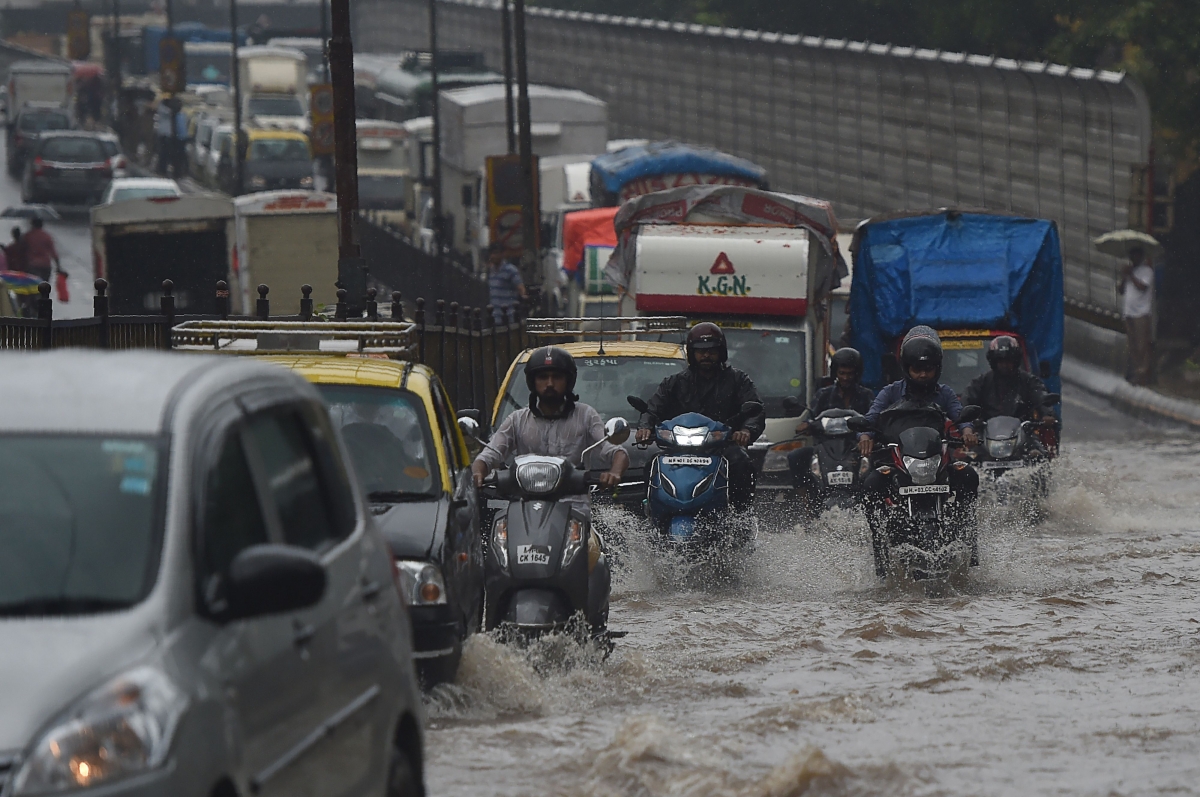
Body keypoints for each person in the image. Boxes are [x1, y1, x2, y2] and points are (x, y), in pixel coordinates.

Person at [858, 326, 980, 576]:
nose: (923, 375)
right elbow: (871, 418)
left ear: (938, 368)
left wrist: (967, 431)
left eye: (929, 369)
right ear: (906, 368)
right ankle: (881, 552)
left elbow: (960, 416)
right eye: (917, 369)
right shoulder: (890, 392)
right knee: (870, 483)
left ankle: (969, 539)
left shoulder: (944, 393)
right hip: (899, 462)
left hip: (938, 462)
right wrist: (865, 436)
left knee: (969, 475)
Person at [635, 322, 764, 511]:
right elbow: (652, 409)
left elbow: (756, 409)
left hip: (721, 446)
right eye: (700, 351)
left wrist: (746, 431)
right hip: (679, 447)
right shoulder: (674, 382)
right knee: (652, 464)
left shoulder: (738, 380)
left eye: (711, 351)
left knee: (740, 463)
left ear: (721, 352)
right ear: (691, 353)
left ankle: (740, 516)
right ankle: (651, 511)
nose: (706, 355)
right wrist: (644, 427)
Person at [472, 346, 629, 492]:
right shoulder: (517, 419)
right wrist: (478, 472)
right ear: (533, 382)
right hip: (525, 505)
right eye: (542, 377)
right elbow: (489, 455)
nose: (550, 383)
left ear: (568, 381)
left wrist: (614, 473)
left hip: (573, 506)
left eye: (557, 377)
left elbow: (617, 452)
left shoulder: (586, 415)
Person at [788, 347, 875, 488]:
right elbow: (812, 417)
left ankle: (874, 503)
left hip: (855, 448)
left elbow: (873, 419)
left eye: (850, 374)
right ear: (835, 372)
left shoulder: (866, 395)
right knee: (795, 457)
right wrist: (806, 425)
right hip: (826, 450)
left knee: (880, 465)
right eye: (842, 373)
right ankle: (807, 504)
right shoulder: (824, 394)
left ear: (857, 374)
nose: (846, 378)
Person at [964, 335, 1048, 422]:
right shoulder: (982, 382)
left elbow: (1041, 397)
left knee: (1042, 434)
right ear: (993, 362)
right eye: (1001, 361)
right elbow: (967, 400)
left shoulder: (1028, 381)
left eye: (1008, 361)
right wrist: (967, 418)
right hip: (987, 432)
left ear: (1015, 361)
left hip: (1023, 431)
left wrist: (1047, 414)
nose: (1004, 365)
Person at [1119, 246, 1155, 385]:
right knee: (1132, 344)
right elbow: (1121, 290)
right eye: (1132, 256)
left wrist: (1131, 275)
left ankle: (1143, 374)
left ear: (1141, 256)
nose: (1133, 259)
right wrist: (1124, 277)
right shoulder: (1129, 271)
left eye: (1136, 256)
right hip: (1129, 312)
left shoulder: (1147, 271)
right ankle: (1136, 372)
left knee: (1142, 345)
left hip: (1141, 313)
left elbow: (1142, 287)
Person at [487, 244, 526, 324]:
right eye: (492, 253)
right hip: (495, 317)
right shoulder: (491, 271)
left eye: (496, 253)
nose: (493, 256)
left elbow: (521, 288)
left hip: (508, 316)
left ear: (502, 254)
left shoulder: (510, 270)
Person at [21, 218, 61, 284]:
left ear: (32, 224)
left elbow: (22, 250)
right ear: (42, 225)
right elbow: (53, 253)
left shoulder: (28, 236)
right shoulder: (47, 236)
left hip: (32, 266)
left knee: (33, 287)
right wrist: (58, 267)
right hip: (46, 265)